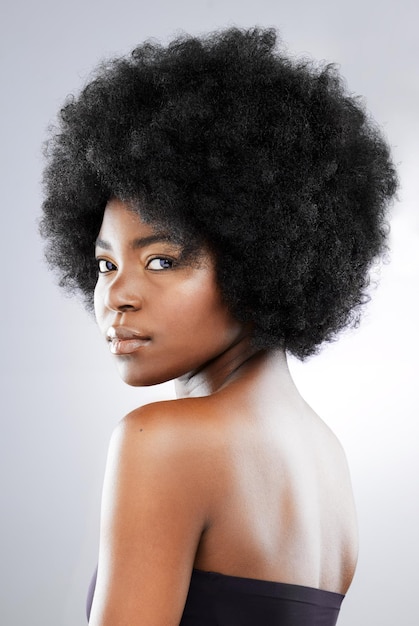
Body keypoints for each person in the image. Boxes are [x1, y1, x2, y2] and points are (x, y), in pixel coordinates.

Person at [40, 27, 397, 626]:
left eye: (161, 261)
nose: (117, 295)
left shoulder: (162, 441)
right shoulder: (325, 457)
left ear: (260, 254)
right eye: (105, 264)